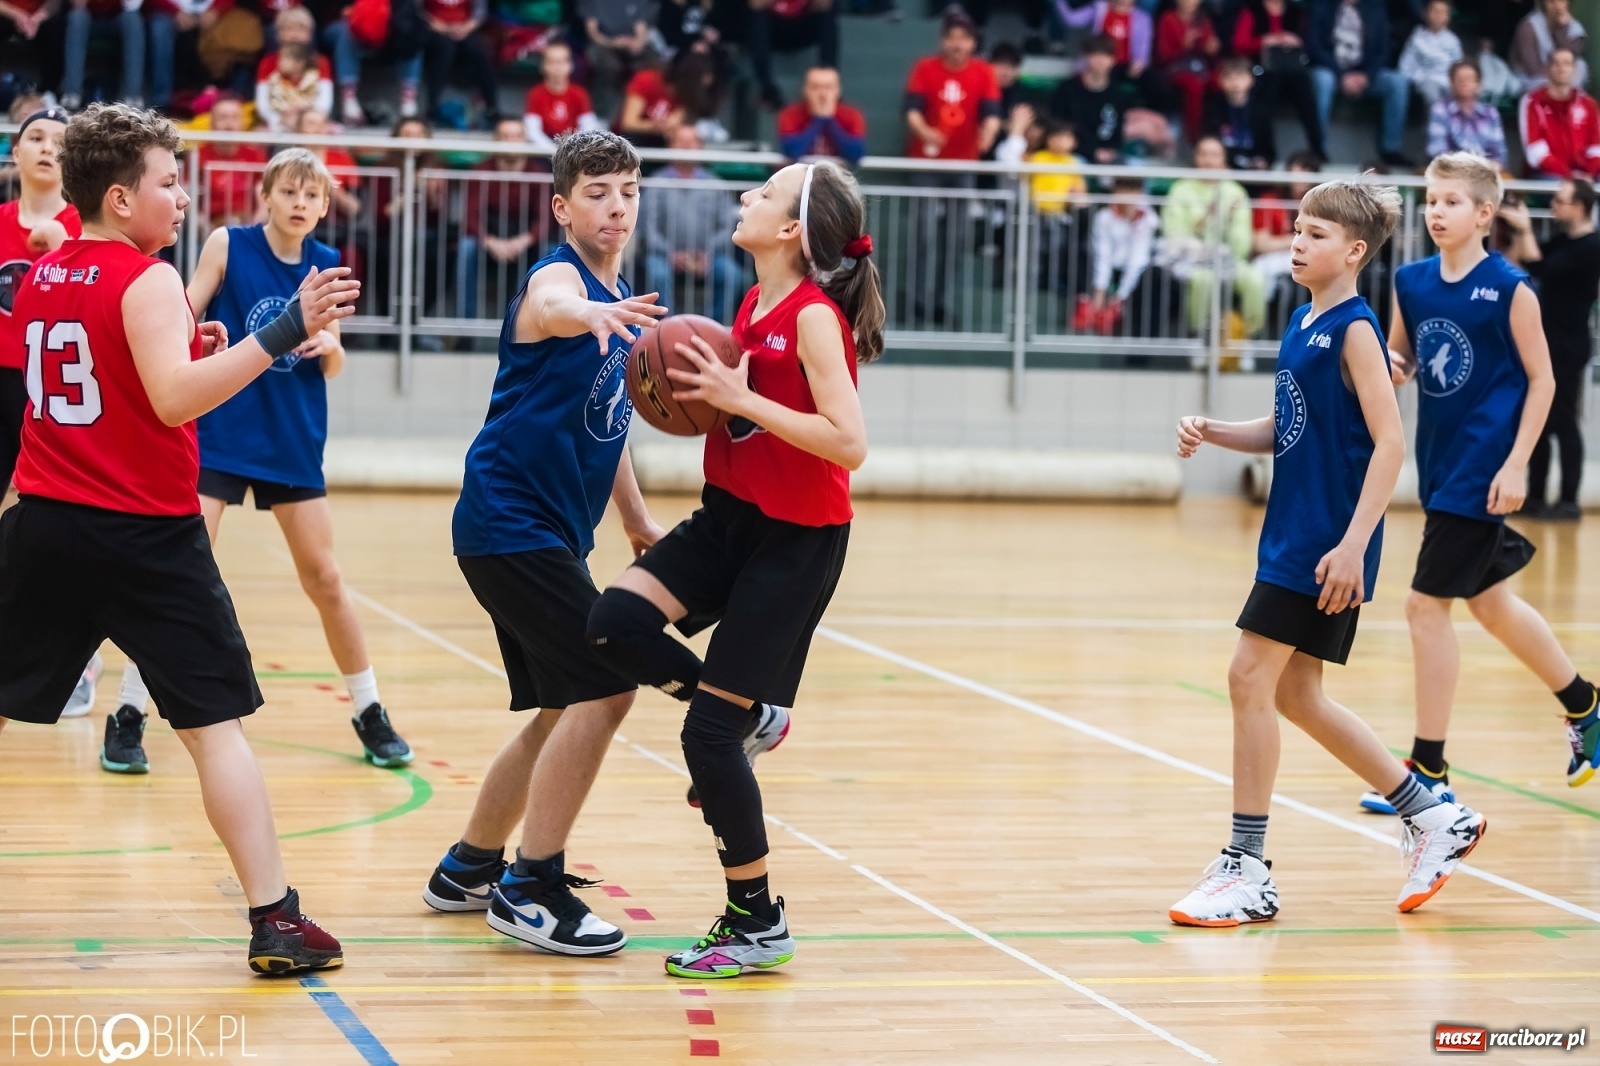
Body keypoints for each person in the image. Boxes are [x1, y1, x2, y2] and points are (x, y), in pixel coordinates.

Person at [0, 102, 358, 972]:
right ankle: (275, 921)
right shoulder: (146, 275)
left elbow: (119, 370)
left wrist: (189, 348)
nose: (185, 197)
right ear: (121, 198)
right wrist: (284, 329)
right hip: (145, 536)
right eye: (169, 182)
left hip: (43, 522)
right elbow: (172, 401)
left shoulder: (44, 271)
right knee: (214, 731)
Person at [585, 158, 878, 978]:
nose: (745, 197)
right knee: (614, 624)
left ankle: (756, 923)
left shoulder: (816, 317)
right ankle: (753, 720)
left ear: (791, 230)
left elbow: (849, 444)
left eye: (764, 192)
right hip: (730, 519)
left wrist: (740, 400)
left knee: (704, 737)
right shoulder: (752, 301)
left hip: (795, 539)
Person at [1168, 174, 1487, 927]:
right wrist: (1217, 429)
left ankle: (1248, 869)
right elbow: (1286, 427)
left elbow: (1390, 442)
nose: (1296, 243)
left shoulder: (1354, 328)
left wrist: (1352, 545)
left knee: (1248, 676)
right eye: (1297, 230)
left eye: (1314, 235)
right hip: (1296, 531)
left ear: (1352, 251)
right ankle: (1435, 816)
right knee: (1293, 694)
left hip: (1323, 542)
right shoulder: (1304, 322)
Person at [422, 129, 667, 956]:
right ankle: (531, 886)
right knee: (610, 683)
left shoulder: (621, 293)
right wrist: (591, 312)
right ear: (562, 207)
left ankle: (469, 866)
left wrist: (633, 517)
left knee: (563, 704)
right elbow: (559, 308)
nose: (617, 205)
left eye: (629, 190)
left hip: (543, 532)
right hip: (508, 522)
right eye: (598, 192)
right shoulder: (559, 282)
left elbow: (612, 419)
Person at [100, 147, 413, 775]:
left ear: (326, 206)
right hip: (220, 430)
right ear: (265, 196)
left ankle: (368, 707)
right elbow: (182, 310)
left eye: (312, 195)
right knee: (177, 572)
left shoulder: (327, 265)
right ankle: (129, 711)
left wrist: (328, 344)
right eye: (289, 192)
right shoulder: (228, 244)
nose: (300, 204)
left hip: (291, 436)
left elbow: (336, 358)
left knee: (325, 579)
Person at [1359, 152, 1599, 816]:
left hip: (1483, 465)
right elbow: (1402, 355)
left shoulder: (1513, 288)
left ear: (1485, 213)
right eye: (1431, 199)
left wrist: (1518, 460)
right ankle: (1587, 707)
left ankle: (1429, 770)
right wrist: (1390, 369)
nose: (1436, 211)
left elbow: (1544, 380)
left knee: (1423, 607)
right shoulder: (1411, 280)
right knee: (1490, 607)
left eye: (1452, 201)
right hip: (1439, 463)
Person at [0, 108, 99, 721]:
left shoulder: (81, 228)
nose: (46, 148)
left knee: (51, 518)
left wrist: (60, 248)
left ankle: (80, 660)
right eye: (35, 137)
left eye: (59, 142)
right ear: (15, 150)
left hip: (53, 392)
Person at [1501, 177, 1600, 520]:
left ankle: (1569, 500)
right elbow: (1530, 262)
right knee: (1538, 420)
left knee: (1563, 420)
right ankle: (1536, 496)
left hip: (1569, 344)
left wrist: (1525, 227)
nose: (1554, 206)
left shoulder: (1592, 245)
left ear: (1579, 206)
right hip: (1547, 340)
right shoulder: (1564, 239)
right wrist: (1517, 232)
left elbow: (1544, 268)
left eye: (1560, 200)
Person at [902, 5, 999, 323]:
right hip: (927, 164)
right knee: (925, 233)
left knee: (957, 237)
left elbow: (992, 114)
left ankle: (942, 301)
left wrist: (988, 135)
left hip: (964, 165)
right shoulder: (925, 68)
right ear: (943, 40)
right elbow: (913, 110)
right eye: (952, 37)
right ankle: (916, 298)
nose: (957, 44)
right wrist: (926, 131)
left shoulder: (983, 72)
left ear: (972, 43)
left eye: (964, 38)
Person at [1162, 136, 1266, 341]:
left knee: (1254, 279)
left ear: (1223, 160)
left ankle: (1247, 341)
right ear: (1196, 158)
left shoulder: (1235, 191)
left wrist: (1227, 220)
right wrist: (1208, 219)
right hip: (1191, 260)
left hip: (1229, 259)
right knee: (1204, 280)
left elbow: (1242, 245)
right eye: (1204, 155)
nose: (1209, 161)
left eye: (1215, 155)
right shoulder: (1180, 189)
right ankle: (1198, 339)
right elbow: (1175, 235)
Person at [457, 117, 554, 321]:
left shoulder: (538, 172)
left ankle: (520, 327)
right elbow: (470, 217)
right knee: (466, 248)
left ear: (525, 140)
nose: (511, 141)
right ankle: (465, 327)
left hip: (526, 239)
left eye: (517, 136)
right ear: (496, 140)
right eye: (505, 136)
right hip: (490, 238)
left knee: (550, 253)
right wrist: (491, 242)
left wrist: (522, 241)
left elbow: (546, 219)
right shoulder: (482, 170)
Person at [644, 123, 741, 323]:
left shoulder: (716, 185)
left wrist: (708, 253)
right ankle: (668, 327)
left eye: (692, 142)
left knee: (733, 275)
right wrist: (670, 253)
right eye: (681, 142)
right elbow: (647, 228)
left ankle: (708, 325)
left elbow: (727, 227)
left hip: (708, 257)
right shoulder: (655, 183)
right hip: (664, 256)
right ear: (670, 147)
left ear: (701, 147)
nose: (687, 147)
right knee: (656, 272)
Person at [1307, 0, 1412, 168]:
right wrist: (1341, 75)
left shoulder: (1375, 8)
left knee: (1397, 82)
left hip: (1365, 74)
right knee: (1322, 80)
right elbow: (1315, 46)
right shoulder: (1322, 6)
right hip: (1332, 71)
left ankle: (1391, 149)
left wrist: (1366, 76)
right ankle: (1318, 148)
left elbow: (1382, 50)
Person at [1233, 0, 1325, 160]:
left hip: (1293, 69)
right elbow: (1239, 44)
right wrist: (1265, 40)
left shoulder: (1297, 12)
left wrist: (1295, 41)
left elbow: (1312, 43)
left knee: (1306, 90)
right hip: (1263, 68)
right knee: (1266, 91)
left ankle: (1317, 149)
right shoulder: (1252, 10)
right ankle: (1264, 152)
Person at [1089, 175, 1171, 339]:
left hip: (1139, 274)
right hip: (1113, 271)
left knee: (1154, 283)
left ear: (1140, 193)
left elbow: (1138, 259)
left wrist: (1121, 296)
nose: (1126, 196)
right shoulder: (1103, 218)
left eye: (1132, 191)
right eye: (1122, 190)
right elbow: (1102, 255)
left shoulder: (1147, 219)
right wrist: (1100, 291)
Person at [1518, 47, 1600, 180]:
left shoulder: (1589, 104)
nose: (1562, 69)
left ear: (1574, 68)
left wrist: (1588, 175)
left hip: (1586, 174)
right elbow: (1535, 153)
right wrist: (1570, 175)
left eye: (1567, 63)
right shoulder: (1532, 102)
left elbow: (1596, 148)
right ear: (1548, 68)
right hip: (1547, 174)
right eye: (1556, 63)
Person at [749, 0, 839, 111]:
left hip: (803, 27)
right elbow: (755, 4)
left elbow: (825, 4)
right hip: (773, 29)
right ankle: (767, 89)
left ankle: (828, 83)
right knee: (757, 20)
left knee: (827, 20)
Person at [420, 0, 499, 125]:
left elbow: (480, 13)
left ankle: (491, 107)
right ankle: (432, 107)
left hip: (465, 28)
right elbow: (418, 11)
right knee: (444, 49)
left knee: (479, 50)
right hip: (433, 29)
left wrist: (465, 27)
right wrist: (442, 27)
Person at [1051, 34, 1125, 165]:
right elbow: (1059, 127)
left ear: (1113, 60)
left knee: (1134, 170)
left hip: (1109, 157)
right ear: (1085, 57)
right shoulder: (1067, 89)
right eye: (1095, 54)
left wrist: (1110, 152)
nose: (1101, 60)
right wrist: (1091, 151)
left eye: (1106, 55)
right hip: (1073, 154)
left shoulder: (1117, 93)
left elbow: (1117, 129)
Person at [1152, 0, 1219, 143]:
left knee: (1221, 82)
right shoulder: (1168, 19)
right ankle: (1193, 138)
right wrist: (1184, 45)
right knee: (1194, 86)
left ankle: (1218, 132)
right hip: (1174, 68)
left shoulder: (1203, 19)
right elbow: (1162, 56)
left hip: (1199, 68)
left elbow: (1210, 53)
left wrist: (1211, 49)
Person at [582, 0, 657, 123]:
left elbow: (640, 27)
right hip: (602, 43)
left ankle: (646, 114)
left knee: (653, 64)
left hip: (630, 44)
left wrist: (637, 42)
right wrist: (613, 43)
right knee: (609, 66)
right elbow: (593, 32)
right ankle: (603, 117)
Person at [60, 0, 145, 110]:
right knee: (77, 17)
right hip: (88, 18)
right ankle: (71, 93)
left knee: (132, 19)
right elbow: (78, 4)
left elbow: (133, 6)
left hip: (118, 19)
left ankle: (132, 96)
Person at [777, 66, 866, 165]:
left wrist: (829, 119)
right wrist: (818, 120)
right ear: (805, 90)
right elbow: (792, 152)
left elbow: (854, 155)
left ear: (838, 90)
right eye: (815, 87)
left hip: (836, 177)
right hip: (800, 176)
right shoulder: (790, 114)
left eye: (828, 87)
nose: (822, 94)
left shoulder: (852, 114)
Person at [1426, 59, 1509, 165]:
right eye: (1459, 79)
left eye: (1469, 79)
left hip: (1484, 173)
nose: (1464, 83)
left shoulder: (1491, 113)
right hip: (1450, 172)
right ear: (1451, 83)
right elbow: (1437, 151)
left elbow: (1500, 154)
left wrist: (1487, 168)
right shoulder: (1440, 109)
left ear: (1478, 84)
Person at [523, 39, 600, 151]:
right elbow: (533, 132)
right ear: (543, 65)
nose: (557, 67)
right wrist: (554, 150)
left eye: (562, 61)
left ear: (570, 65)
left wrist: (572, 149)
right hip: (544, 150)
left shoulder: (580, 93)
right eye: (552, 62)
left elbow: (588, 127)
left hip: (574, 147)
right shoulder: (535, 93)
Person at [1203, 56, 1277, 171]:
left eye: (1240, 77)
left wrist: (1263, 161)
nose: (1235, 83)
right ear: (1221, 81)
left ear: (1251, 80)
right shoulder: (1214, 109)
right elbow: (1210, 138)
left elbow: (1268, 149)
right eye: (1229, 78)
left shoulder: (1260, 112)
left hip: (1253, 171)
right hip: (1222, 169)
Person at [1511, 0, 1588, 90]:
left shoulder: (1574, 28)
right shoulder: (1529, 26)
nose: (1557, 5)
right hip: (1533, 79)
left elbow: (1567, 62)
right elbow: (1533, 69)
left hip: (1562, 78)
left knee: (1581, 65)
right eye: (1552, 2)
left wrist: (1562, 33)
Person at [255, 40, 331, 131]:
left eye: (285, 58)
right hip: (280, 127)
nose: (278, 62)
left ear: (299, 63)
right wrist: (279, 119)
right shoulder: (274, 79)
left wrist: (304, 108)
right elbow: (266, 107)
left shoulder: (314, 79)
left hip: (309, 126)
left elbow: (322, 106)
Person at [1398, 0, 1462, 106]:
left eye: (1443, 12)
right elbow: (1405, 66)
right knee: (1431, 90)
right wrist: (1417, 78)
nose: (1439, 16)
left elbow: (1458, 64)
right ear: (1424, 13)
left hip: (1447, 81)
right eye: (1435, 11)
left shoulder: (1453, 40)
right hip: (1425, 80)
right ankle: (1436, 119)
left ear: (1448, 17)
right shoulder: (1416, 38)